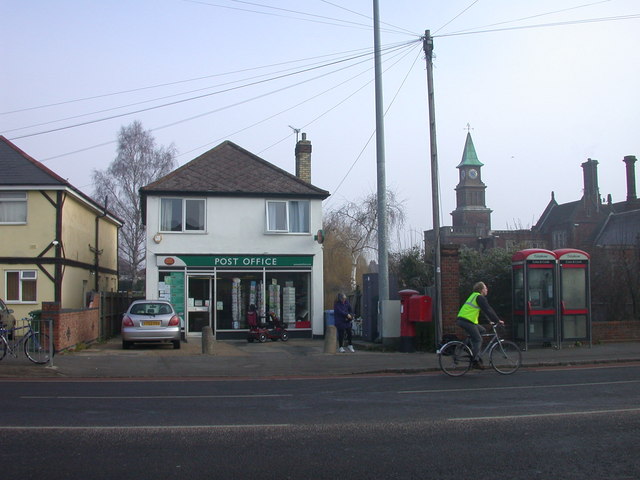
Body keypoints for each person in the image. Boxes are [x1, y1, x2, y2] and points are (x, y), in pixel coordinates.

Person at [456, 281, 503, 369]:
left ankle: (469, 347)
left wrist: (490, 321)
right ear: (481, 290)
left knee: (482, 330)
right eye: (485, 288)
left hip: (464, 320)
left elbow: (484, 311)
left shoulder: (474, 296)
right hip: (466, 321)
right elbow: (488, 310)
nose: (487, 289)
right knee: (478, 340)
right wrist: (497, 320)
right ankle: (475, 361)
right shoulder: (479, 297)